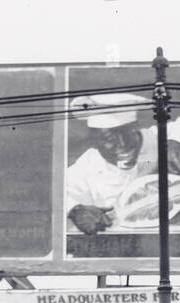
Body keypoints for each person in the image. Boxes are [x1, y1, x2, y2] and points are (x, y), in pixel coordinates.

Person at [66, 92, 160, 235]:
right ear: (94, 143)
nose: (123, 144)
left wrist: (175, 141)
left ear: (137, 129)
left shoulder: (155, 138)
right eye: (109, 138)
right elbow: (61, 193)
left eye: (129, 134)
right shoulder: (87, 166)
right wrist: (75, 210)